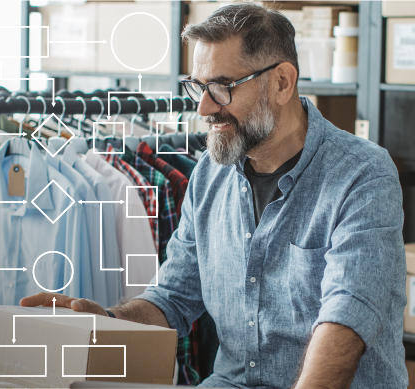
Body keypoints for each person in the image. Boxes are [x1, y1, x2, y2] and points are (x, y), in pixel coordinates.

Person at [21, 3, 407, 388]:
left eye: (222, 88)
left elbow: (345, 321)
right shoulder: (210, 173)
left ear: (282, 83)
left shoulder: (362, 174)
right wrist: (105, 319)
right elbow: (172, 298)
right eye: (198, 87)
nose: (204, 107)